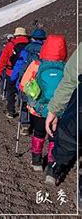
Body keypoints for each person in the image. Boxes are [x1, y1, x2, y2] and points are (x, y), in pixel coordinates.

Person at [20, 35, 67, 172]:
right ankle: (52, 165)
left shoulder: (36, 64)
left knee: (39, 133)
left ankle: (37, 162)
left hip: (38, 109)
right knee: (54, 137)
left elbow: (24, 85)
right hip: (58, 110)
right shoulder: (66, 67)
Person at [44, 44, 81, 185]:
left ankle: (54, 166)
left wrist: (53, 109)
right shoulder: (60, 65)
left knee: (68, 134)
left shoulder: (37, 64)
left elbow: (71, 79)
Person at [10, 28, 47, 135]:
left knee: (24, 102)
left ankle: (25, 125)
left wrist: (14, 79)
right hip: (41, 82)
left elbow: (19, 66)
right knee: (37, 102)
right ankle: (38, 125)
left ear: (33, 38)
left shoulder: (26, 51)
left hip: (27, 81)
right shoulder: (46, 51)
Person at [0, 27, 29, 118]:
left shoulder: (10, 45)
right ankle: (24, 115)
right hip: (26, 73)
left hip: (11, 72)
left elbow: (3, 60)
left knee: (10, 92)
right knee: (24, 93)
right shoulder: (29, 44)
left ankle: (11, 111)